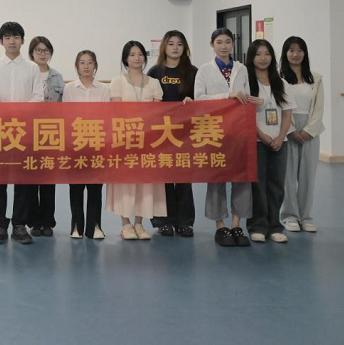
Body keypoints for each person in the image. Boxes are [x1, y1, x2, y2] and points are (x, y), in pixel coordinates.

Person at [0, 21, 44, 245]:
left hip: (23, 131)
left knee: (23, 180)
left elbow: (38, 98)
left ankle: (19, 225)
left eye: (16, 37)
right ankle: (0, 225)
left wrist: (20, 112)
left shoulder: (32, 68)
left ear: (22, 40)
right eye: (7, 37)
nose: (12, 41)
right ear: (1, 41)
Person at [193, 28, 252, 248]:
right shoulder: (204, 70)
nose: (224, 46)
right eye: (219, 42)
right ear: (212, 45)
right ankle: (220, 226)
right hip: (215, 131)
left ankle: (237, 224)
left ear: (233, 44)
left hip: (239, 130)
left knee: (241, 177)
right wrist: (228, 95)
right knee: (216, 178)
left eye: (228, 42)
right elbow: (199, 98)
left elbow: (246, 96)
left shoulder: (241, 69)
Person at [106, 41, 165, 241]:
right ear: (126, 59)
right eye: (132, 54)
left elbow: (156, 113)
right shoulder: (117, 82)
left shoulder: (154, 83)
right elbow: (117, 111)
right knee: (125, 182)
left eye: (140, 54)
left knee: (144, 182)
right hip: (124, 139)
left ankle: (139, 223)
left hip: (148, 141)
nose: (137, 58)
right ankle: (125, 224)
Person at [147, 30, 198, 237]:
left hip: (185, 132)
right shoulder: (154, 72)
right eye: (171, 44)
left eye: (179, 44)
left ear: (185, 47)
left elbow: (202, 99)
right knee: (164, 178)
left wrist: (193, 101)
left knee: (184, 177)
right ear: (164, 47)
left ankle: (185, 222)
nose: (175, 48)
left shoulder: (193, 72)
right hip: (161, 133)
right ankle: (163, 221)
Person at [245, 39, 295, 244]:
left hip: (279, 143)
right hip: (256, 142)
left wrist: (281, 137)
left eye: (267, 54)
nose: (263, 58)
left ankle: (275, 226)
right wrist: (261, 135)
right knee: (257, 185)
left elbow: (287, 112)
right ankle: (257, 226)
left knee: (276, 186)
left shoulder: (281, 83)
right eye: (258, 54)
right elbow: (244, 114)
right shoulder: (247, 83)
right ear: (251, 57)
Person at [280, 36, 325, 234]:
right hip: (286, 128)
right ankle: (289, 216)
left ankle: (305, 217)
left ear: (305, 53)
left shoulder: (316, 78)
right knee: (288, 177)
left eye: (299, 50)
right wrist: (289, 130)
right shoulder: (279, 78)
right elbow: (278, 106)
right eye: (291, 50)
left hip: (310, 130)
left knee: (308, 176)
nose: (295, 54)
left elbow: (319, 108)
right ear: (285, 53)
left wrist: (308, 130)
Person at [62, 50, 109, 240]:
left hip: (97, 143)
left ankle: (95, 226)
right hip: (76, 143)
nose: (86, 66)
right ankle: (76, 226)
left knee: (95, 188)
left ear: (95, 65)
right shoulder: (69, 89)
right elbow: (67, 116)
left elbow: (107, 116)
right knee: (76, 187)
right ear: (77, 66)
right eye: (82, 62)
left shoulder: (104, 89)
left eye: (90, 62)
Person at [27, 35, 64, 237]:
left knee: (49, 179)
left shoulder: (57, 76)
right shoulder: (26, 73)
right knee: (32, 179)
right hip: (28, 132)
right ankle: (34, 221)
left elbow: (63, 106)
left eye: (46, 50)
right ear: (32, 53)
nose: (42, 54)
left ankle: (48, 221)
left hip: (50, 133)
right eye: (38, 50)